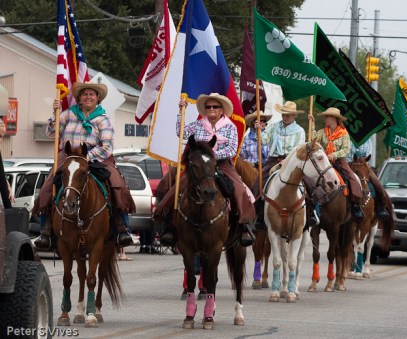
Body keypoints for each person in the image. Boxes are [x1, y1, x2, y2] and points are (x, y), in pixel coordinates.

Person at [32, 80, 135, 249]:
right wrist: (55, 113)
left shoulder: (103, 119)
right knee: (48, 184)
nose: (88, 97)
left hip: (97, 157)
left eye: (91, 95)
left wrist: (87, 157)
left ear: (97, 99)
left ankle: (122, 228)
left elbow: (107, 146)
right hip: (68, 157)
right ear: (79, 99)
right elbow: (51, 132)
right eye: (85, 94)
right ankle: (46, 230)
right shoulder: (68, 114)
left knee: (118, 183)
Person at [155, 93, 256, 247]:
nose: (211, 109)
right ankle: (169, 225)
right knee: (177, 188)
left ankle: (244, 227)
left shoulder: (230, 127)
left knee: (239, 188)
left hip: (222, 164)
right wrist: (180, 111)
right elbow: (180, 132)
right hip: (200, 165)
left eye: (215, 106)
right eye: (208, 107)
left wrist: (212, 156)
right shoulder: (198, 125)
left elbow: (232, 149)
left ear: (222, 110)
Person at [252, 101, 309, 229]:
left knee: (310, 183)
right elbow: (264, 141)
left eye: (288, 114)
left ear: (294, 116)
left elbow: (299, 149)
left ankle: (310, 213)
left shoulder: (300, 131)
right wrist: (259, 131)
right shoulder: (273, 126)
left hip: (292, 162)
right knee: (258, 183)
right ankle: (257, 215)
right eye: (283, 114)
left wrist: (287, 160)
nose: (285, 116)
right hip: (273, 160)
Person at [308, 107, 364, 220]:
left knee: (352, 178)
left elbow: (346, 149)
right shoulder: (322, 132)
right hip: (324, 161)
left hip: (339, 161)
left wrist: (334, 155)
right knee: (311, 178)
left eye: (327, 116)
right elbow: (313, 140)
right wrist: (312, 124)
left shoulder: (344, 133)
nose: (325, 119)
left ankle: (356, 204)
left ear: (334, 118)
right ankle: (312, 207)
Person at [347, 138, 389, 220]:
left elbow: (368, 155)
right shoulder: (348, 139)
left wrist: (362, 161)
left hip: (363, 165)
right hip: (350, 164)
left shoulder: (368, 140)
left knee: (376, 182)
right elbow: (346, 153)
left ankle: (381, 206)